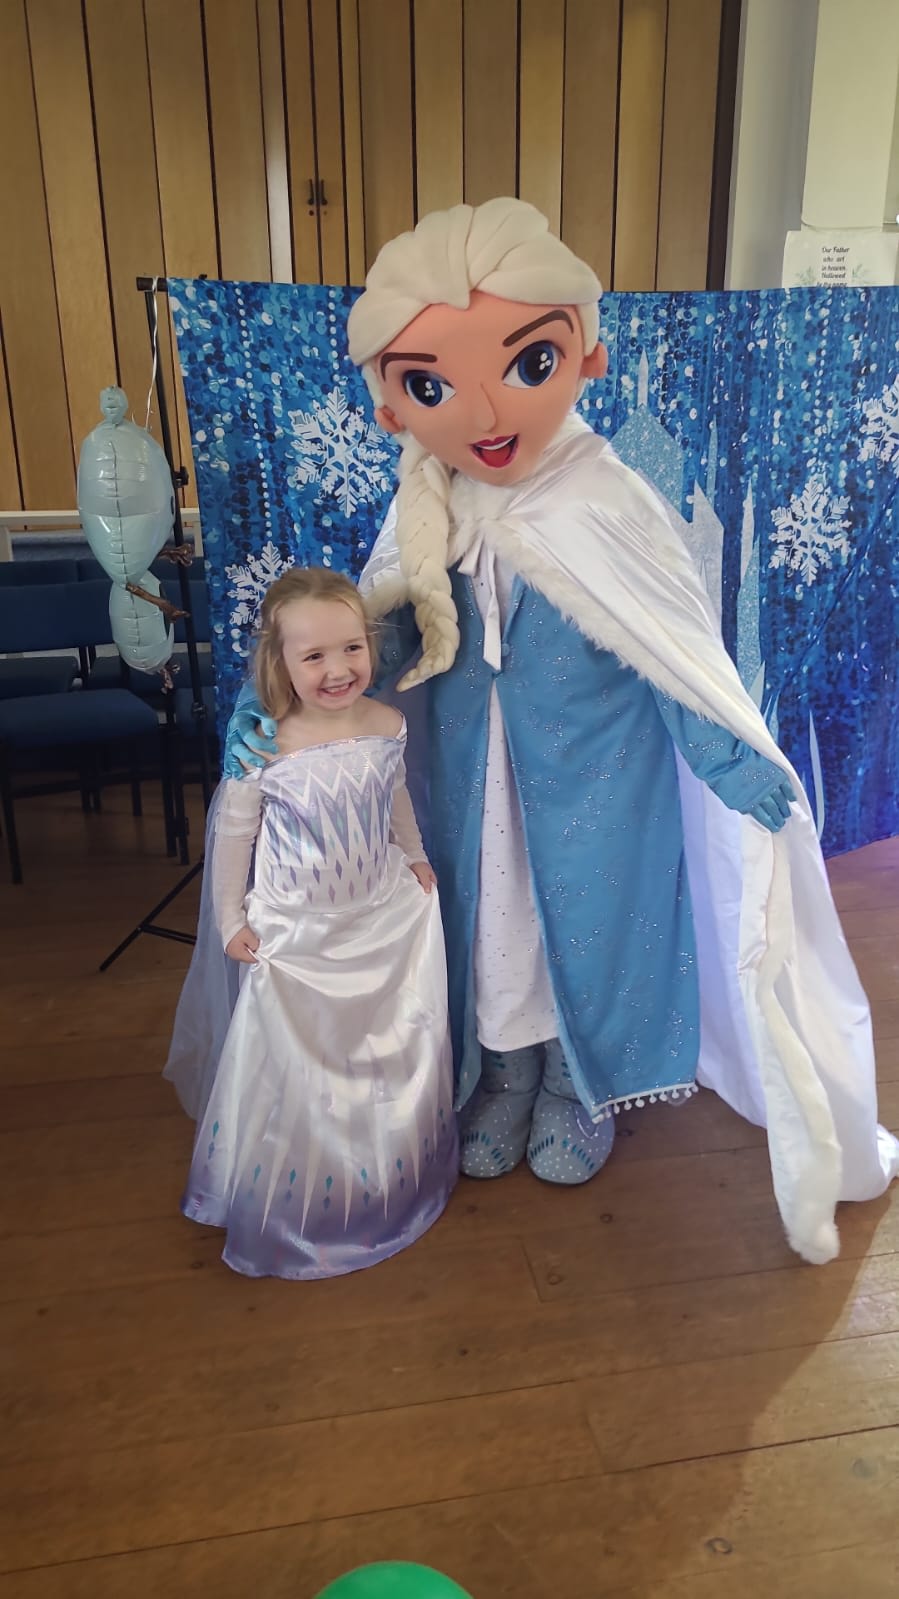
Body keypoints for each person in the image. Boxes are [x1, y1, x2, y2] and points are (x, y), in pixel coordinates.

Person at [226, 199, 898, 1264]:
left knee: (579, 918)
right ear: (394, 405)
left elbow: (668, 643)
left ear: (583, 355)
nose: (484, 409)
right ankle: (504, 1071)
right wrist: (275, 707)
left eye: (525, 363)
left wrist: (724, 753)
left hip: (595, 776)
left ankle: (582, 1084)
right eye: (433, 385)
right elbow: (361, 634)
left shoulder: (607, 500)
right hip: (469, 772)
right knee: (488, 922)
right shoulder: (424, 506)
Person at [165, 567, 456, 1279]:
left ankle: (383, 1180)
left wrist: (415, 857)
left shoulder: (386, 725)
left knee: (382, 1050)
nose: (338, 670)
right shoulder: (266, 745)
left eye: (351, 648)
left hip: (381, 918)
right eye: (314, 656)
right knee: (299, 1068)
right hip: (297, 933)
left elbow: (395, 800)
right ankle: (299, 1197)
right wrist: (231, 918)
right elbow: (235, 837)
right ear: (280, 662)